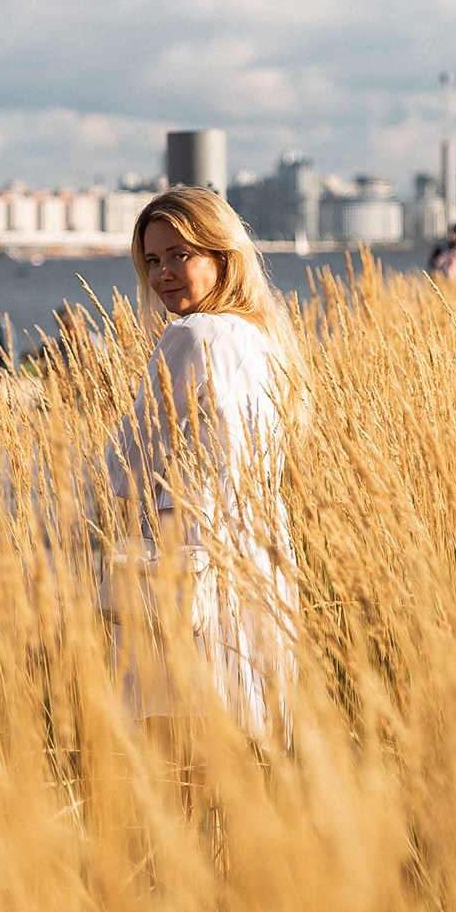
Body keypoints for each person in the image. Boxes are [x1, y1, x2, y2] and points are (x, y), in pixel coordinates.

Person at [101, 186, 301, 742]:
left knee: (176, 762)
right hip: (256, 561)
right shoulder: (258, 337)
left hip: (186, 567)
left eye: (181, 255)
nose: (163, 273)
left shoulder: (191, 335)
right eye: (153, 260)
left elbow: (123, 468)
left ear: (221, 255)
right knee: (238, 758)